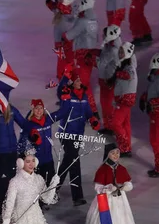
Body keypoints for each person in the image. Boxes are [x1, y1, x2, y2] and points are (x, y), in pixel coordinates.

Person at [84, 144, 141, 224]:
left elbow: (128, 183)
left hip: (119, 203)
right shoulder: (102, 169)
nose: (116, 156)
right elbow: (98, 187)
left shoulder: (121, 169)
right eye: (113, 153)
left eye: (117, 153)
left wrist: (127, 186)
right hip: (104, 202)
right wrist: (107, 188)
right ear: (107, 155)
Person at [56, 69, 100, 206]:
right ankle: (76, 196)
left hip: (78, 134)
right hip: (66, 133)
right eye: (76, 80)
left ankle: (52, 190)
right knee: (73, 161)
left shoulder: (84, 96)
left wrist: (93, 119)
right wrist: (65, 77)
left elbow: (88, 112)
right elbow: (59, 92)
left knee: (68, 162)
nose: (79, 82)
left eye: (80, 80)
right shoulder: (67, 94)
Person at [62, 0, 100, 115]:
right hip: (90, 54)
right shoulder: (93, 21)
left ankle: (91, 111)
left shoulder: (82, 21)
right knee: (83, 82)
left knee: (82, 84)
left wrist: (63, 35)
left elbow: (69, 35)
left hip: (81, 55)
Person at [140, 53, 159, 177]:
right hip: (156, 113)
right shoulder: (156, 77)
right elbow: (152, 91)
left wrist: (150, 103)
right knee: (155, 140)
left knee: (157, 141)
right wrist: (144, 98)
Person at [109, 42, 137, 157]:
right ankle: (126, 146)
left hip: (125, 100)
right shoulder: (124, 65)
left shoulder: (129, 67)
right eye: (119, 51)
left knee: (116, 123)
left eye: (122, 52)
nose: (120, 54)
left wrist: (117, 74)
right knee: (125, 124)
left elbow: (129, 75)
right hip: (124, 99)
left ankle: (125, 148)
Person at [95, 25, 122, 134]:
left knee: (107, 105)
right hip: (106, 79)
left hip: (108, 80)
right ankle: (108, 125)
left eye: (104, 34)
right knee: (105, 104)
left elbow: (101, 63)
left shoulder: (112, 50)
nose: (102, 36)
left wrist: (93, 58)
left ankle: (110, 127)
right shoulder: (111, 45)